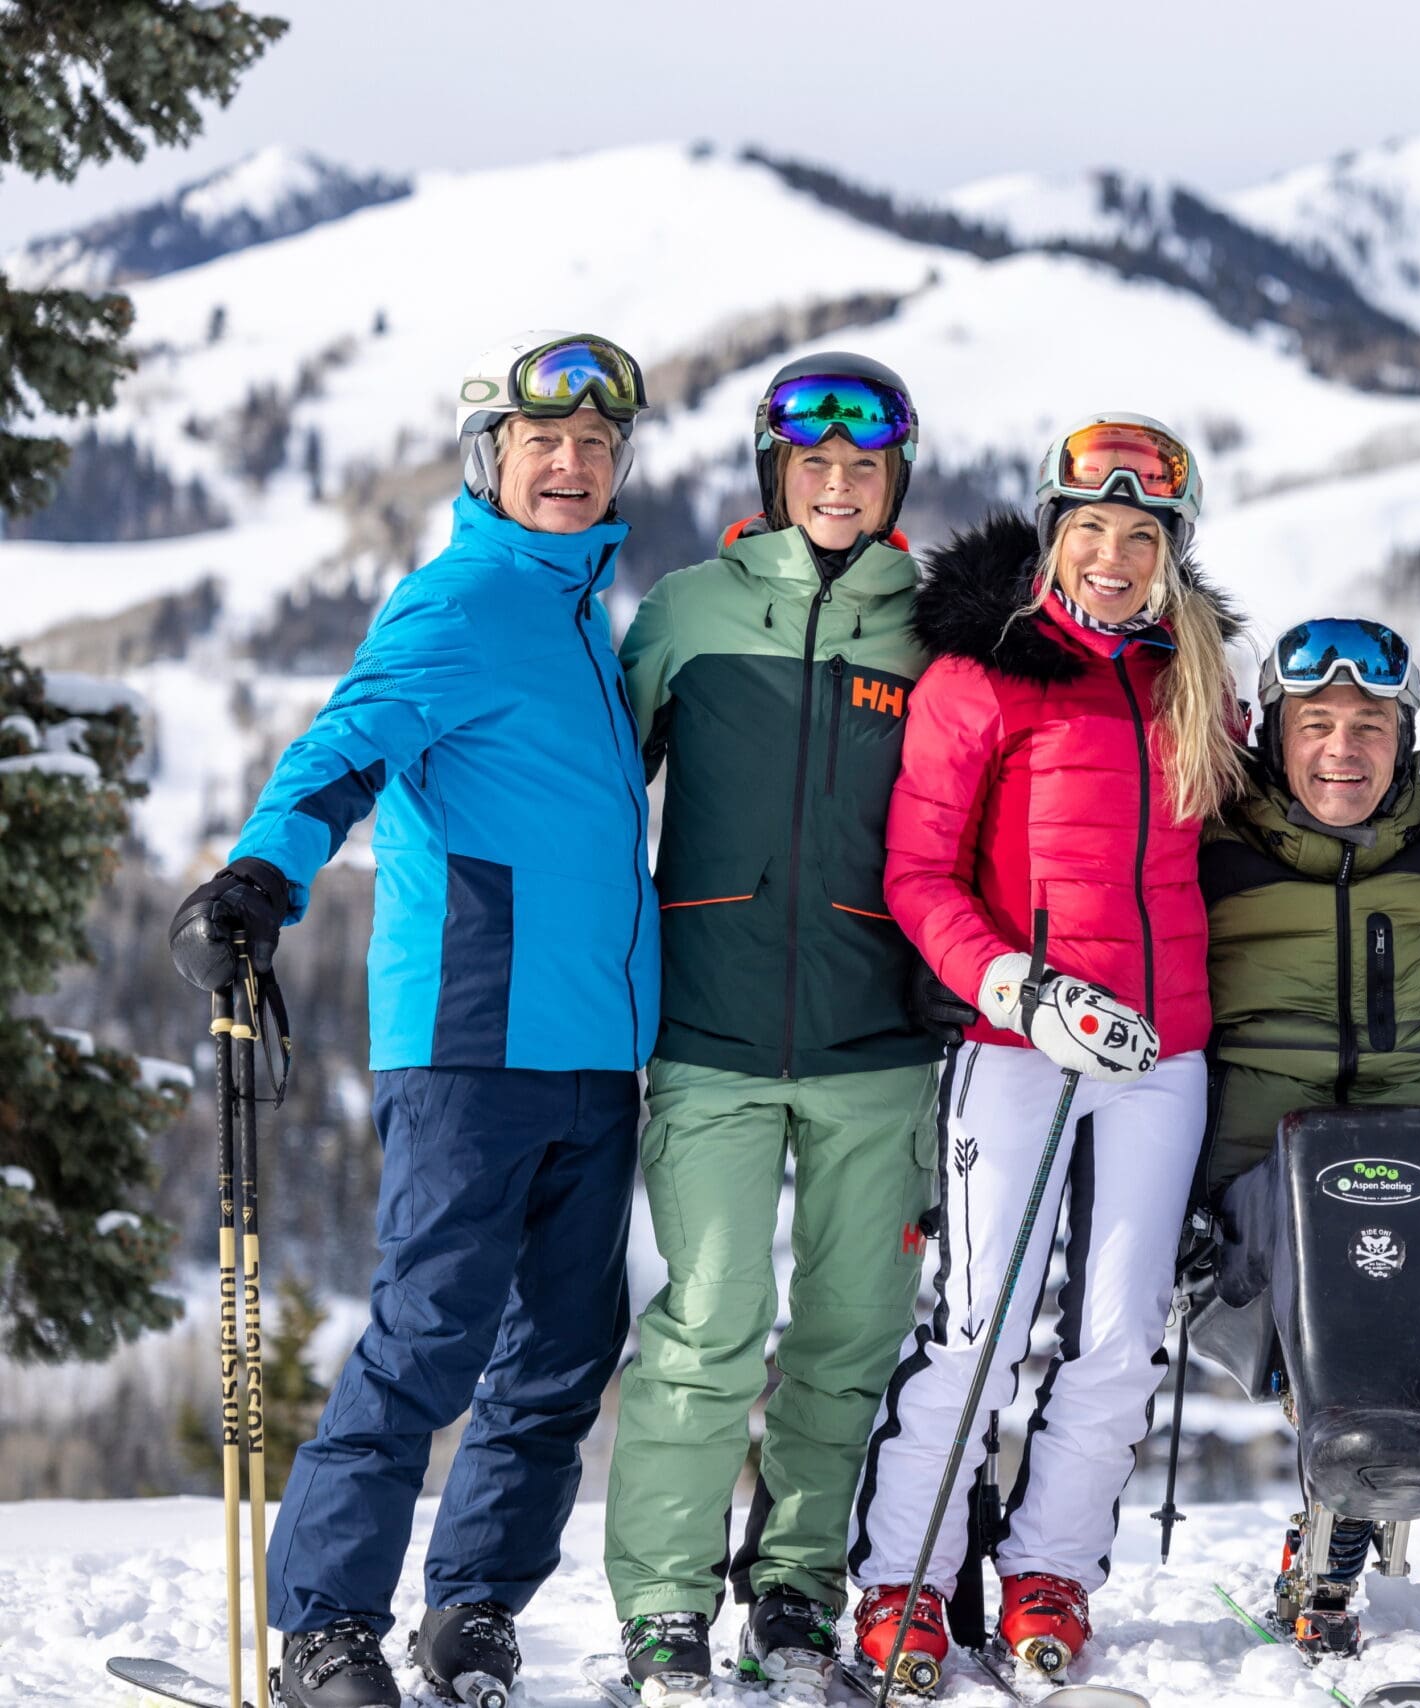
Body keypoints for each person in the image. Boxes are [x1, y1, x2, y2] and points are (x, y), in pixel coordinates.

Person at [167, 333, 656, 1708]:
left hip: (595, 1053)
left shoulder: (585, 617)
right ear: (489, 459)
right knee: (434, 1334)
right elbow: (345, 746)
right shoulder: (462, 599)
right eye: (540, 443)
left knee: (561, 1352)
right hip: (470, 1038)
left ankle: (475, 1614)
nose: (568, 466)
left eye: (594, 447)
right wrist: (266, 869)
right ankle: (325, 1624)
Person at [848, 414, 1243, 1692]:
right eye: (1091, 529)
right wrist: (1020, 989)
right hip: (1018, 1042)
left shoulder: (1192, 680)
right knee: (981, 1321)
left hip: (1161, 1052)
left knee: (1120, 1336)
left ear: (1172, 552)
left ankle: (1047, 1570)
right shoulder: (984, 674)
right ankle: (904, 1581)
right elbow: (917, 876)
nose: (1115, 555)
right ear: (1050, 533)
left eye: (1142, 535)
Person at [601, 354, 942, 1703]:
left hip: (883, 1042)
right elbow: (595, 783)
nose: (841, 487)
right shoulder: (688, 613)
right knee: (710, 1325)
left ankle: (798, 1585)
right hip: (712, 1034)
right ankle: (666, 1604)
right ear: (773, 473)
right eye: (816, 465)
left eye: (866, 467)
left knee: (852, 1333)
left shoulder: (936, 629)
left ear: (896, 480)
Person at [1194, 617, 1420, 1653]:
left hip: (1416, 1165)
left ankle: (1338, 1544)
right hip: (1253, 1181)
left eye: (1369, 723)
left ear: (1406, 738)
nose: (1342, 748)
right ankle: (1352, 1496)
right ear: (1273, 736)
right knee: (1338, 1233)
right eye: (1315, 722)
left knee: (1384, 1228)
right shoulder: (1214, 848)